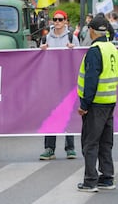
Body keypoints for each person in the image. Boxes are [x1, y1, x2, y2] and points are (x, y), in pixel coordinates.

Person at [76, 15, 118, 192]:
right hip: (110, 101)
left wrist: (84, 105)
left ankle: (90, 181)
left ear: (91, 31)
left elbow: (91, 80)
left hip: (96, 104)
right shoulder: (112, 48)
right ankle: (107, 178)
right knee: (105, 142)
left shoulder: (95, 51)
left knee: (90, 143)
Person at [39, 10, 80, 160]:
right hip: (50, 82)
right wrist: (41, 51)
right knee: (51, 115)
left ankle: (70, 148)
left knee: (67, 114)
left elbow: (78, 58)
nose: (57, 22)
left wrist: (73, 50)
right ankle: (49, 148)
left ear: (66, 22)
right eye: (55, 19)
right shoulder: (45, 38)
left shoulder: (72, 38)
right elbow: (37, 61)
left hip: (67, 80)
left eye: (60, 19)